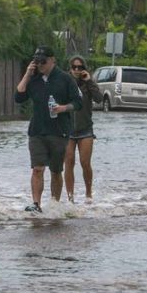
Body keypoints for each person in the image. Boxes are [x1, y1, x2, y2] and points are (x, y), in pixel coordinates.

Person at [14, 46, 83, 213]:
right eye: (37, 61)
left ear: (53, 60)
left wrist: (63, 108)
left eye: (43, 61)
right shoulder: (33, 79)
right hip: (37, 131)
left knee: (56, 171)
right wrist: (27, 74)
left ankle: (54, 204)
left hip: (59, 132)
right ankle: (36, 204)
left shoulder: (65, 79)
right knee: (37, 168)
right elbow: (18, 97)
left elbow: (78, 103)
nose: (40, 64)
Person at [64, 55, 103, 203]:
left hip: (85, 129)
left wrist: (89, 81)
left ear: (84, 69)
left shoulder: (88, 84)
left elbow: (99, 99)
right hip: (67, 129)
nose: (76, 70)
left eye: (80, 67)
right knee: (69, 161)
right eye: (74, 67)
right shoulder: (65, 83)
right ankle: (70, 197)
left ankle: (88, 194)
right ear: (70, 68)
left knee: (85, 162)